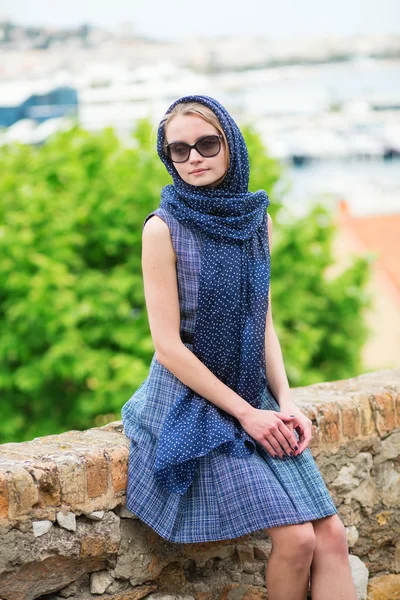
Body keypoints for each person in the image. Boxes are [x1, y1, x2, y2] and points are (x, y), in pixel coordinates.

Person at [121, 94, 357, 600]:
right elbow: (168, 349)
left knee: (331, 537)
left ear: (231, 145)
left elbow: (262, 322)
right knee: (296, 540)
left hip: (254, 395)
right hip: (191, 405)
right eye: (179, 150)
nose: (194, 158)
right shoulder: (163, 229)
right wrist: (248, 415)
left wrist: (286, 402)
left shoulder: (258, 223)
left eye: (207, 143)